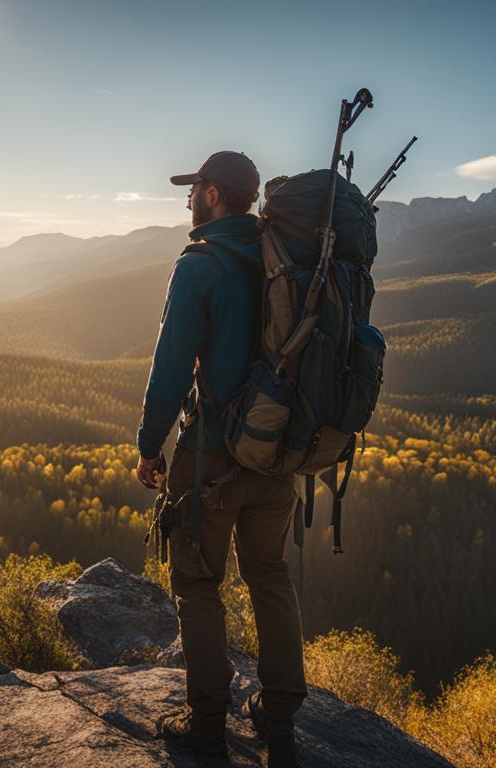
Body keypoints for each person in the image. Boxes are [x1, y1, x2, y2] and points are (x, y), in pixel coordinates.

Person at [134, 151, 305, 767]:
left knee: (199, 584)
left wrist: (149, 446)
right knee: (270, 575)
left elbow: (171, 368)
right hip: (279, 453)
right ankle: (279, 720)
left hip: (212, 457)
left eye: (194, 187)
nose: (187, 198)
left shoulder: (201, 264)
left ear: (212, 196)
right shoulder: (282, 256)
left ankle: (207, 725)